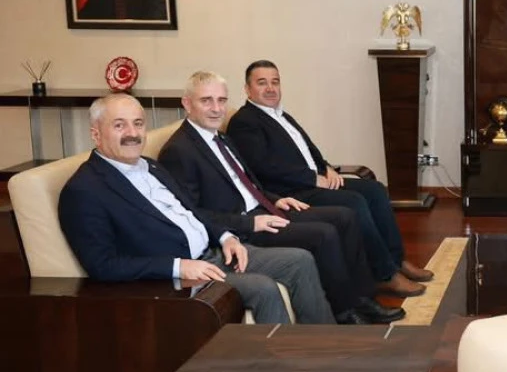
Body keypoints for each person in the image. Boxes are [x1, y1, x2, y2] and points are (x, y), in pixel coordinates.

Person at [58, 93, 334, 325]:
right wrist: (178, 267)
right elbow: (102, 265)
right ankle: (282, 368)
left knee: (299, 260)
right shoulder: (84, 190)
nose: (132, 133)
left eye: (138, 123)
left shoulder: (151, 166)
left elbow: (193, 211)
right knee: (263, 288)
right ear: (96, 134)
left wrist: (225, 236)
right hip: (175, 277)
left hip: (214, 253)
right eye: (119, 125)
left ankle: (328, 347)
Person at [157, 71, 405, 325]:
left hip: (264, 209)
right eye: (206, 101)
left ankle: (363, 298)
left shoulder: (220, 138)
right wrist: (251, 223)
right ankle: (345, 312)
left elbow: (248, 183)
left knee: (345, 217)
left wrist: (275, 199)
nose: (216, 108)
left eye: (221, 100)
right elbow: (194, 214)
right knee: (324, 234)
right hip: (242, 227)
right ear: (187, 103)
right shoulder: (179, 151)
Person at [226, 60, 433, 297]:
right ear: (247, 89)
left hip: (313, 180)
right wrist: (312, 178)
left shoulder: (280, 115)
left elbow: (308, 149)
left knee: (375, 189)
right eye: (262, 83)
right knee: (354, 201)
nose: (271, 88)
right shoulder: (245, 121)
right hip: (290, 192)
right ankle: (383, 275)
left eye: (275, 82)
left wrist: (327, 168)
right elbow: (262, 167)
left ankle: (396, 260)